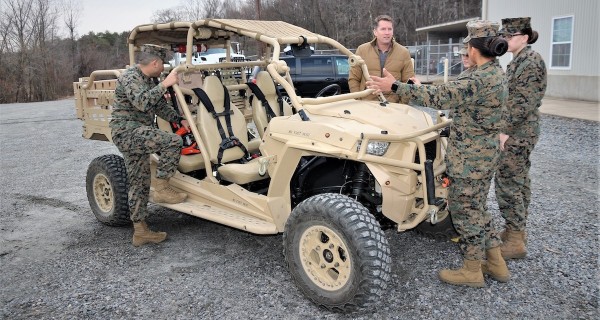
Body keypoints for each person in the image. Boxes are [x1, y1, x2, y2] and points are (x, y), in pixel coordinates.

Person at [367, 20, 510, 287]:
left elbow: (442, 96)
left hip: (470, 159)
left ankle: (472, 270)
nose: (466, 48)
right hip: (483, 154)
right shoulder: (495, 72)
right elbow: (453, 96)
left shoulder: (478, 78)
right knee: (478, 208)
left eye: (468, 44)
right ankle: (497, 264)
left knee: (465, 212)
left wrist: (396, 87)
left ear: (475, 48)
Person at [109, 44, 190, 247]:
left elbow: (158, 105)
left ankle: (140, 231)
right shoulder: (131, 77)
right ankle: (162, 188)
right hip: (127, 132)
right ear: (154, 62)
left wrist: (178, 119)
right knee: (173, 141)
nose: (163, 67)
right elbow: (143, 103)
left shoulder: (148, 79)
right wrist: (165, 84)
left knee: (139, 182)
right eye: (162, 63)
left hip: (137, 132)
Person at [495, 17, 547, 259]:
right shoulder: (519, 61)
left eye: (510, 36)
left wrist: (503, 130)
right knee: (519, 181)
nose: (506, 40)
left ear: (524, 38)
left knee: (509, 182)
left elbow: (522, 103)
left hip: (518, 132)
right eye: (504, 36)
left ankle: (515, 240)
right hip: (520, 130)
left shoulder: (530, 62)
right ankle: (516, 232)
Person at [348, 14, 414, 103]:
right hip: (367, 105)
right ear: (375, 32)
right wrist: (358, 100)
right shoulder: (362, 50)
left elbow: (409, 83)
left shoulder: (403, 52)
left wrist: (402, 104)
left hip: (393, 107)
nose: (387, 32)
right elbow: (354, 79)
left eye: (389, 29)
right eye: (383, 29)